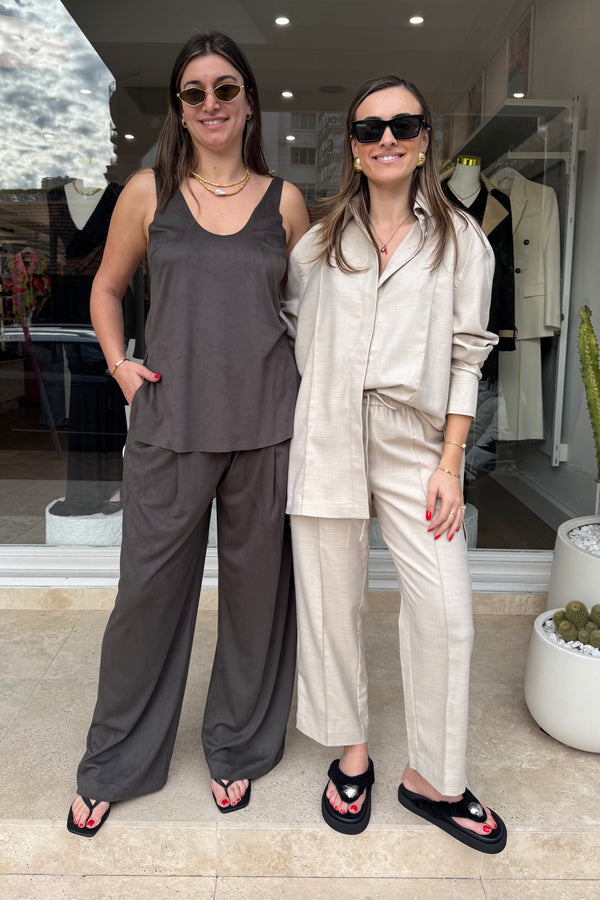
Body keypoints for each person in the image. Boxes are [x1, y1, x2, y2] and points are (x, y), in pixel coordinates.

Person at [67, 31, 309, 836]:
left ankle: (238, 745)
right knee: (146, 600)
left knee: (256, 602)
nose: (211, 103)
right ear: (178, 106)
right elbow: (106, 289)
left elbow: (313, 313)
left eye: (225, 88)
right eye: (195, 91)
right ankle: (116, 761)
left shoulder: (285, 203)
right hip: (170, 427)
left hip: (267, 429)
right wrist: (119, 366)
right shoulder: (149, 193)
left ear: (249, 102)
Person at [282, 74, 507, 853]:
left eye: (403, 125)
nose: (386, 139)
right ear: (352, 146)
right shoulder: (317, 244)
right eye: (370, 128)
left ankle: (433, 778)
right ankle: (352, 753)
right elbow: (288, 328)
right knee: (329, 601)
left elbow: (469, 355)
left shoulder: (462, 241)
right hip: (328, 431)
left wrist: (451, 462)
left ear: (424, 141)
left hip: (417, 442)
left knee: (446, 610)